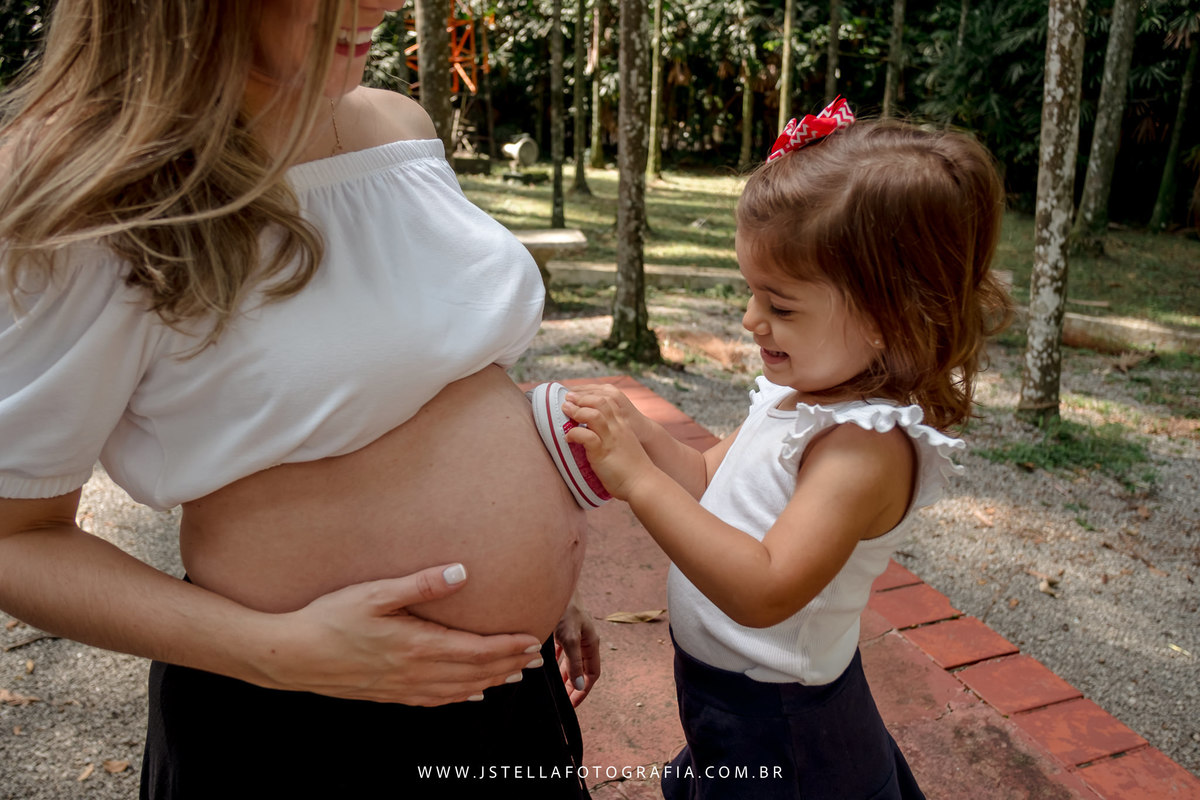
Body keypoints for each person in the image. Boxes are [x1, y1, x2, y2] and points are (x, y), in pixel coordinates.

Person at [0, 1, 598, 797]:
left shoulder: (399, 125)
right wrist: (273, 650)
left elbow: (439, 376)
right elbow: (16, 536)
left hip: (504, 693)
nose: (382, 4)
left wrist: (537, 583)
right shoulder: (92, 192)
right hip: (300, 726)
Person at [555, 100, 1011, 799]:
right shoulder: (801, 393)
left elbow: (764, 590)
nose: (750, 318)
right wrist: (638, 433)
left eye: (782, 304)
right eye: (750, 291)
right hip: (728, 698)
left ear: (892, 316)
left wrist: (637, 480)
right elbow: (711, 479)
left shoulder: (864, 448)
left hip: (783, 728)